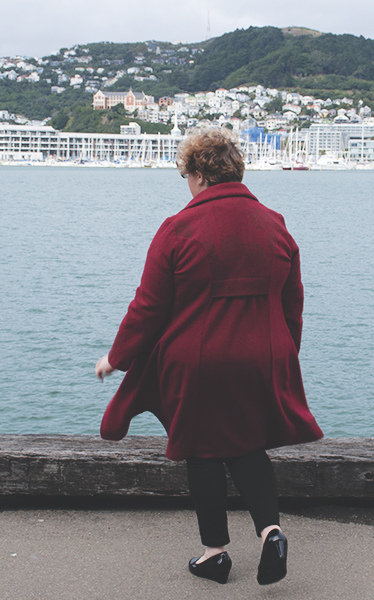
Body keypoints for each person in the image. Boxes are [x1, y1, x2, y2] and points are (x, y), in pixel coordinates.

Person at [95, 128, 323, 585]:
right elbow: (292, 301)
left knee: (202, 448)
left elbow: (149, 305)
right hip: (262, 356)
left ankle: (215, 554)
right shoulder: (274, 223)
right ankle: (271, 532)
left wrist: (116, 358)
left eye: (187, 175)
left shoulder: (179, 228)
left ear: (198, 174)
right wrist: (283, 353)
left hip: (199, 360)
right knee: (245, 442)